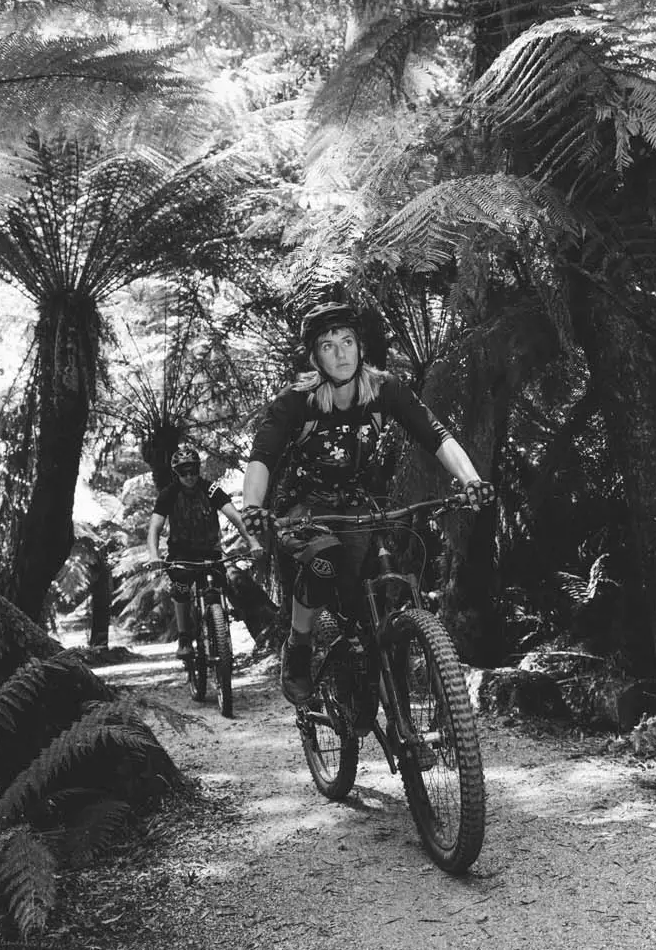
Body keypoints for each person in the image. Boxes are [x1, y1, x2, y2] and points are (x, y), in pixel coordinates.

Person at [239, 301, 495, 704]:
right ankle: (299, 646)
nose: (341, 353)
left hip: (359, 502)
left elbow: (436, 435)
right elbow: (263, 456)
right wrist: (253, 506)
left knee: (372, 591)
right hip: (304, 506)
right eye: (328, 346)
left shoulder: (384, 390)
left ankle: (386, 701)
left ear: (361, 347)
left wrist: (471, 480)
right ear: (314, 357)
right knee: (322, 562)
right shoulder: (296, 401)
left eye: (347, 342)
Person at [146, 444, 261, 660]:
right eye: (183, 472)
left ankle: (221, 626)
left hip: (210, 551)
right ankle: (184, 638)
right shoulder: (169, 494)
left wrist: (253, 542)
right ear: (176, 473)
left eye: (193, 470)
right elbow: (154, 527)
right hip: (181, 554)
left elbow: (235, 518)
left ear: (199, 469)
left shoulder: (211, 490)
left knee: (221, 585)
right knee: (180, 589)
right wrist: (154, 555)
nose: (189, 476)